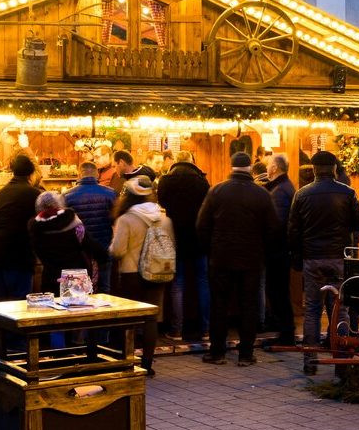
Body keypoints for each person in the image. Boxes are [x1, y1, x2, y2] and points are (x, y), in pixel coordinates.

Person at [288, 150, 359, 375]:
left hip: (313, 259)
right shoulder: (347, 193)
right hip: (338, 258)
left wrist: (296, 257)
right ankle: (341, 363)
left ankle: (310, 362)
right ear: (334, 168)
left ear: (314, 170)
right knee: (340, 310)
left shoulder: (302, 195)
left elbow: (293, 230)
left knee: (312, 309)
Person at [196, 151, 279, 366]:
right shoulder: (262, 195)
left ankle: (217, 352)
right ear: (250, 168)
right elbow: (273, 229)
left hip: (221, 258)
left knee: (219, 305)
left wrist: (210, 250)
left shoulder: (217, 191)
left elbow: (202, 226)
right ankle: (246, 354)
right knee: (248, 305)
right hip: (251, 259)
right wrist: (263, 252)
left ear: (231, 167)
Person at [110, 176, 175, 377]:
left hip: (131, 274)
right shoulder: (164, 219)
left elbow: (118, 250)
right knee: (151, 320)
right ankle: (147, 364)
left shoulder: (126, 219)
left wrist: (109, 248)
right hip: (157, 273)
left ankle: (127, 361)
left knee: (128, 319)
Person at [157, 150, 210, 342]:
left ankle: (177, 330)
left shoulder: (166, 181)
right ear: (191, 162)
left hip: (176, 236)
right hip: (198, 238)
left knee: (177, 284)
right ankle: (205, 330)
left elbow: (161, 202)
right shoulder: (202, 182)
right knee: (203, 283)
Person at [0, 154, 42, 301]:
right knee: (19, 308)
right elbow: (42, 224)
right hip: (19, 257)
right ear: (31, 174)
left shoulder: (0, 193)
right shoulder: (34, 194)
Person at [28, 191, 107, 296]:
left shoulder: (35, 228)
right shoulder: (73, 223)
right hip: (76, 277)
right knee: (78, 309)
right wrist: (105, 257)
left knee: (53, 309)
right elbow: (90, 245)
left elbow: (36, 251)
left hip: (51, 278)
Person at [65, 161, 117, 294]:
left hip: (80, 251)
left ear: (79, 174)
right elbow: (115, 220)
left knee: (78, 291)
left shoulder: (67, 195)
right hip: (104, 246)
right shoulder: (110, 193)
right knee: (105, 288)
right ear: (97, 174)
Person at [265, 152, 296, 345]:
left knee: (278, 292)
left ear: (275, 168)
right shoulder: (283, 187)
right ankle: (284, 331)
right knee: (278, 292)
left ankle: (286, 334)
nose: (266, 168)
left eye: (268, 165)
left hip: (277, 252)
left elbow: (276, 224)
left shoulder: (280, 192)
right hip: (280, 251)